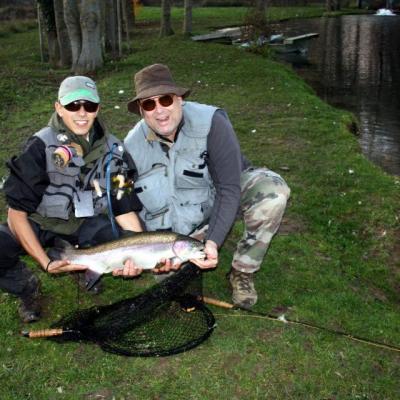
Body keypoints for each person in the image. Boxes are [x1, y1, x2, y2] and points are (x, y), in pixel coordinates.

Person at [124, 64, 291, 309]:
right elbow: (131, 207)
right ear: (141, 110)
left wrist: (212, 242)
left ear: (179, 99)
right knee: (169, 278)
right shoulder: (131, 147)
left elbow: (229, 188)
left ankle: (242, 271)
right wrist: (153, 252)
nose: (159, 111)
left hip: (226, 192)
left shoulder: (212, 122)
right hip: (183, 226)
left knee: (273, 194)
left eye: (166, 100)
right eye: (149, 104)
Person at [0, 76, 143, 323]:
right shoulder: (39, 146)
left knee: (123, 240)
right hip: (40, 222)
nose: (82, 113)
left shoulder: (116, 151)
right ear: (58, 107)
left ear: (98, 108)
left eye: (89, 106)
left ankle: (85, 266)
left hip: (85, 224)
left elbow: (124, 207)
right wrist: (45, 263)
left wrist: (137, 254)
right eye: (72, 105)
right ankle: (26, 286)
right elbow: (16, 214)